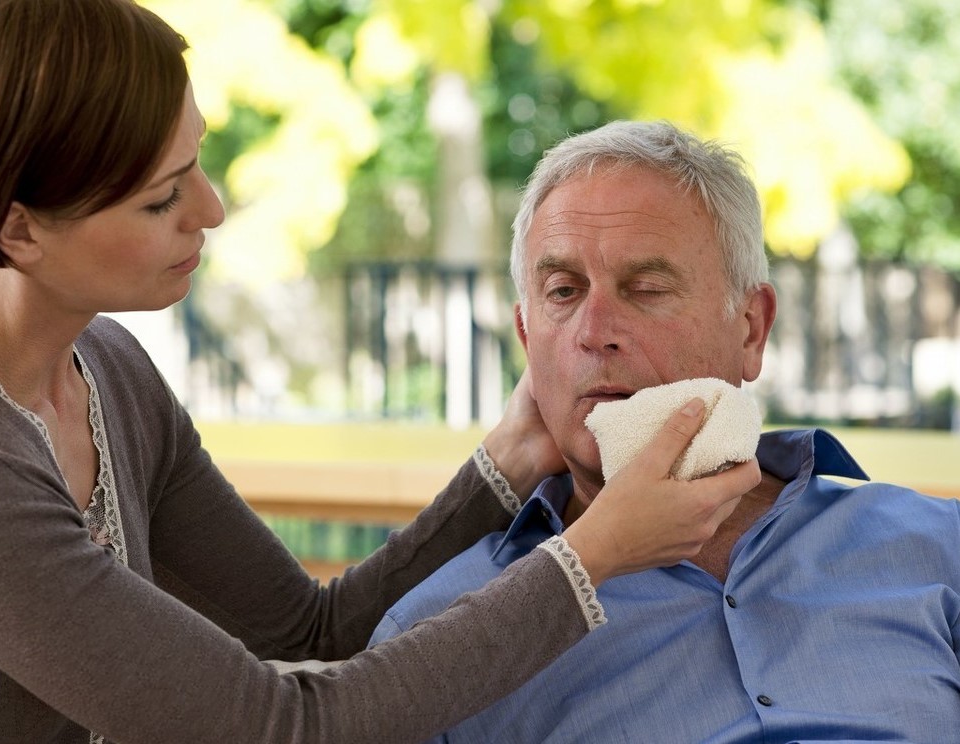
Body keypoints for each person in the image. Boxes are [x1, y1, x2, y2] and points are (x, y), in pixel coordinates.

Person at [0, 4, 760, 742]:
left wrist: (508, 461)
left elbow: (310, 633)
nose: (211, 210)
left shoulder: (103, 369)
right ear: (18, 230)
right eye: (162, 199)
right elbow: (280, 727)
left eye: (198, 162)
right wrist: (590, 558)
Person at [369, 120, 960, 743]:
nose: (595, 330)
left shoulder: (938, 544)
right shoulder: (433, 638)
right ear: (527, 340)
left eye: (646, 289)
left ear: (751, 331)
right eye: (563, 291)